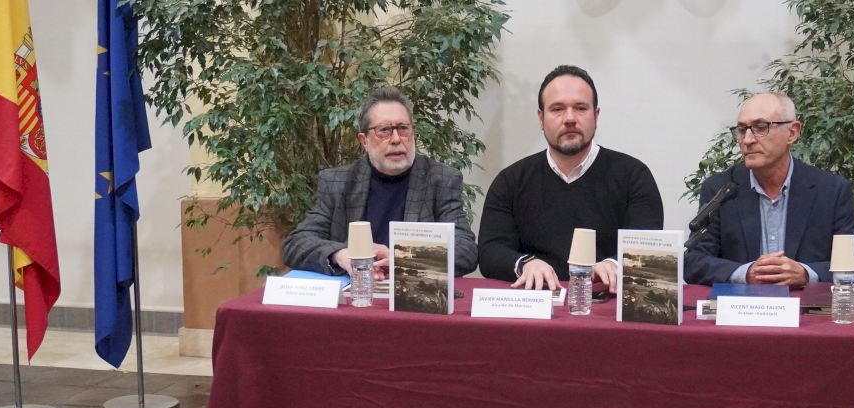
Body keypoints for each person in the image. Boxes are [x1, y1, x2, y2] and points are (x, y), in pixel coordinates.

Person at [478, 65, 664, 291]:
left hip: (605, 301)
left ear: (596, 115)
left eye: (581, 108)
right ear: (541, 118)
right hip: (537, 300)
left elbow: (648, 245)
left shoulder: (634, 176)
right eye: (557, 109)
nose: (569, 119)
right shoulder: (511, 181)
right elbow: (490, 251)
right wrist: (524, 264)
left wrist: (615, 264)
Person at [282, 87, 478, 278]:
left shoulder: (441, 179)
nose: (396, 139)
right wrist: (340, 255)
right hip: (358, 290)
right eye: (384, 130)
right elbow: (296, 243)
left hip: (413, 292)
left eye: (403, 128)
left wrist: (402, 260)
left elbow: (466, 250)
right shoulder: (337, 181)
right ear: (364, 140)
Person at [683, 92, 854, 286]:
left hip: (804, 303)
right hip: (742, 303)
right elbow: (694, 261)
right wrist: (746, 274)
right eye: (742, 129)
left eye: (760, 128)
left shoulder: (831, 191)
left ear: (792, 132)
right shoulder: (720, 189)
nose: (747, 140)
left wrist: (805, 274)